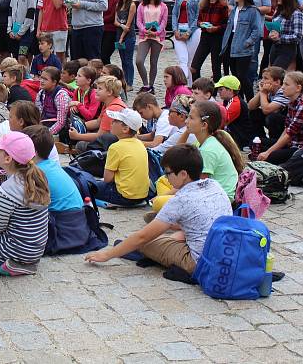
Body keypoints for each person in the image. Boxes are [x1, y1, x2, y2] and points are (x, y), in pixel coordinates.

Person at [85, 144, 232, 279]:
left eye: (168, 173)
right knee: (168, 233)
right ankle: (164, 234)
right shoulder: (214, 185)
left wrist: (106, 255)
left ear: (183, 174)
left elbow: (143, 237)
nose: (166, 179)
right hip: (223, 250)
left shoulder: (180, 200)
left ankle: (136, 247)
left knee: (144, 242)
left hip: (198, 262)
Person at [0, 131, 50, 276]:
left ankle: (6, 267)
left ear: (8, 158)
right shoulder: (37, 178)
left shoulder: (7, 190)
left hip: (13, 250)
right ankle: (19, 264)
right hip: (34, 249)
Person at [257, 71, 303, 165]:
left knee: (269, 157)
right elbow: (287, 129)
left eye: (286, 84)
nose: (282, 87)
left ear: (298, 88)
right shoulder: (291, 102)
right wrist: (274, 147)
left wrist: (268, 152)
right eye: (283, 84)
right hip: (292, 143)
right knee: (256, 143)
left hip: (301, 147)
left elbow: (289, 135)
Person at [184, 100, 244, 198]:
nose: (186, 121)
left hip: (220, 199)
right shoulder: (201, 142)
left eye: (191, 118)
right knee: (165, 181)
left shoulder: (207, 150)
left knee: (161, 202)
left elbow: (199, 185)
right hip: (209, 193)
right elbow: (176, 157)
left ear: (204, 125)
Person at [92, 109, 150, 206]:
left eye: (115, 121)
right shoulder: (140, 144)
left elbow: (107, 179)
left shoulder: (115, 147)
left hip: (123, 196)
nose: (112, 122)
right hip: (142, 195)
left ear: (125, 129)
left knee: (88, 186)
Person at [24, 125, 83, 212]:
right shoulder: (51, 164)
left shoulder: (35, 172)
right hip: (78, 217)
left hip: (62, 221)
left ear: (33, 152)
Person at [221, 0, 263, 102]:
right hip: (231, 44)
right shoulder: (234, 10)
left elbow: (256, 30)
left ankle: (251, 101)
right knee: (234, 77)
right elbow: (230, 28)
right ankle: (238, 100)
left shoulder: (252, 10)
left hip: (243, 46)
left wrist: (248, 42)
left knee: (242, 76)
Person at [67, 75, 127, 152]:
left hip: (117, 144)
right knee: (84, 133)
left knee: (81, 144)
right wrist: (79, 126)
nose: (96, 91)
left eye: (100, 89)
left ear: (109, 92)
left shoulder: (111, 110)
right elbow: (97, 122)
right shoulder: (109, 103)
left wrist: (77, 136)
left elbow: (100, 136)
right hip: (112, 139)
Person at [191, 0, 228, 82]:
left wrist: (216, 28)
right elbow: (198, 20)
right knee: (194, 67)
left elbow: (226, 25)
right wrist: (201, 24)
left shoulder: (222, 6)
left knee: (216, 68)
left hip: (217, 38)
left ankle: (215, 92)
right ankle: (198, 88)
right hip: (205, 37)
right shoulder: (204, 4)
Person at [135, 0, 167, 94]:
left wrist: (157, 32)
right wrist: (144, 30)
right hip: (145, 36)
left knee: (154, 62)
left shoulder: (163, 6)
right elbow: (138, 21)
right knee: (139, 61)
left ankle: (151, 86)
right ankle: (145, 84)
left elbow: (164, 22)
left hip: (157, 37)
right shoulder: (142, 6)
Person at [36, 0, 70, 64]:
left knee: (60, 55)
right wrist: (38, 29)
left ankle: (62, 75)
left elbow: (57, 5)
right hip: (46, 28)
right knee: (46, 54)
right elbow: (41, 10)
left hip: (59, 27)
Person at [172, 0, 202, 85]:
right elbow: (174, 13)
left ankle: (191, 86)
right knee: (182, 59)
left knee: (191, 61)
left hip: (193, 30)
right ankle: (183, 84)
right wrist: (175, 30)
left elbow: (198, 16)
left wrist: (189, 32)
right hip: (179, 28)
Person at [248, 66, 288, 144]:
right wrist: (261, 92)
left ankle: (274, 142)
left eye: (266, 78)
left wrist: (263, 93)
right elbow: (251, 106)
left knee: (272, 117)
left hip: (286, 125)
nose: (262, 81)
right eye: (262, 78)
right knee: (254, 113)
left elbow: (267, 110)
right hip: (276, 120)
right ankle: (259, 139)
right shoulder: (269, 90)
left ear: (277, 82)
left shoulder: (283, 92)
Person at [268, 0, 303, 70]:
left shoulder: (296, 14)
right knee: (273, 72)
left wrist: (280, 38)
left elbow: (298, 36)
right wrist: (272, 34)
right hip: (275, 46)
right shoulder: (278, 11)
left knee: (275, 72)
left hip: (287, 48)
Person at [8, 0, 36, 67]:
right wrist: (9, 29)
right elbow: (10, 13)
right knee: (15, 57)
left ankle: (27, 76)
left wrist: (21, 32)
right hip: (14, 30)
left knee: (22, 56)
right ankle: (19, 78)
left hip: (26, 33)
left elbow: (30, 16)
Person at [215, 75, 252, 150]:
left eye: (221, 89)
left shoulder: (235, 103)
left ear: (230, 90)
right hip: (234, 134)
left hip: (240, 139)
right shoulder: (228, 100)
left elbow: (221, 122)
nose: (218, 92)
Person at [34, 66, 71, 136]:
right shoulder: (41, 93)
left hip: (59, 130)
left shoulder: (61, 95)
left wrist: (46, 134)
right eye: (41, 77)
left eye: (45, 79)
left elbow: (61, 122)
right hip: (44, 125)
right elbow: (39, 114)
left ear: (54, 82)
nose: (41, 81)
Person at [114, 0, 137, 90]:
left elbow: (128, 26)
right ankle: (124, 80)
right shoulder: (118, 5)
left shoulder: (132, 5)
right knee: (123, 59)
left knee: (128, 59)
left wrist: (122, 37)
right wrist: (121, 26)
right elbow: (115, 21)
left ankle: (130, 82)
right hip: (119, 34)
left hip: (128, 36)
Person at [100, 0, 119, 65]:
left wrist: (100, 20)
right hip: (100, 29)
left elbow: (112, 16)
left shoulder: (116, 0)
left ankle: (109, 74)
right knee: (99, 55)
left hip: (110, 30)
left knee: (105, 55)